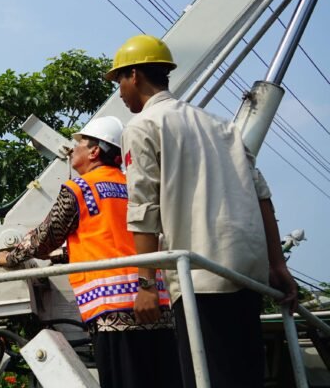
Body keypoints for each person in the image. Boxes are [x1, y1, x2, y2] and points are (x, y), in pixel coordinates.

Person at [107, 34, 298, 388]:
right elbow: (262, 199)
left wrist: (146, 285)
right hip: (247, 276)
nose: (119, 91)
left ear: (134, 75)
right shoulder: (222, 126)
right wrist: (277, 264)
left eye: (118, 80)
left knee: (205, 378)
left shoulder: (143, 126)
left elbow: (144, 208)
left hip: (201, 278)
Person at [0, 116, 181, 388]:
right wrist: (62, 256)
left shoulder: (80, 188)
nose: (73, 149)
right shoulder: (133, 186)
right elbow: (112, 240)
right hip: (155, 305)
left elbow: (45, 237)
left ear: (95, 151)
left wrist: (9, 256)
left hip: (112, 310)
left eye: (79, 143)